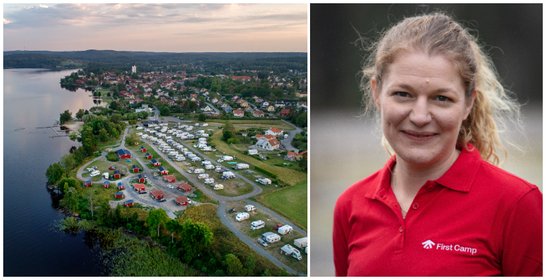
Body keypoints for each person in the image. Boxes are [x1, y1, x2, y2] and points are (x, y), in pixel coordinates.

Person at [332, 12, 542, 276]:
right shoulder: (349, 205)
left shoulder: (517, 204)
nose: (420, 116)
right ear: (376, 92)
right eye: (403, 94)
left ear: (468, 103)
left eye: (441, 98)